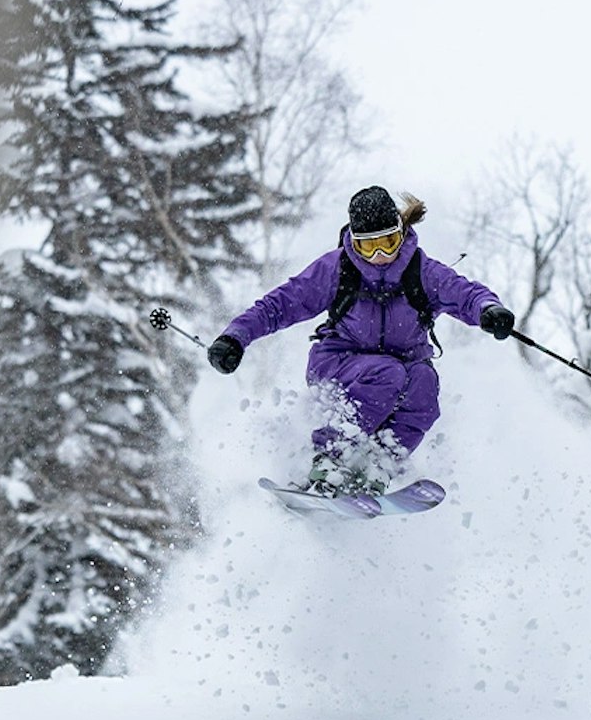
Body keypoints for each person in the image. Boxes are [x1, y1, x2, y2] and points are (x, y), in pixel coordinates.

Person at [206, 185, 515, 496]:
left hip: (403, 368)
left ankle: (376, 466)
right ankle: (330, 458)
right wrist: (235, 337)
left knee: (424, 382)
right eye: (368, 247)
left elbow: (466, 294)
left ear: (401, 234)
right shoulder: (337, 269)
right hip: (338, 365)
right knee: (387, 373)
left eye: (387, 243)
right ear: (354, 243)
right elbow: (280, 305)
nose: (379, 256)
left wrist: (489, 310)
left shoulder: (422, 272)